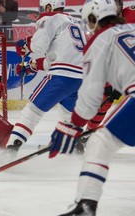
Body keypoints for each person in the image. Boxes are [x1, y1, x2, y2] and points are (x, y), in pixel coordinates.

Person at [48, 0, 135, 215]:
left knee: (99, 143)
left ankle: (86, 205)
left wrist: (74, 125)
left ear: (95, 18)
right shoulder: (131, 29)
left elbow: (91, 94)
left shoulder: (99, 41)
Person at [2, 0, 86, 158]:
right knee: (68, 116)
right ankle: (75, 145)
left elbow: (39, 46)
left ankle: (12, 147)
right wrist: (31, 65)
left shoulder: (51, 18)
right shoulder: (76, 23)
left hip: (62, 77)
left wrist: (27, 45)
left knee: (32, 111)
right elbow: (55, 58)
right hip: (81, 79)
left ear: (49, 6)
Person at [75, 0, 135, 154]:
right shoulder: (104, 28)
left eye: (118, 3)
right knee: (102, 99)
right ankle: (87, 134)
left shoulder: (132, 13)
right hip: (120, 67)